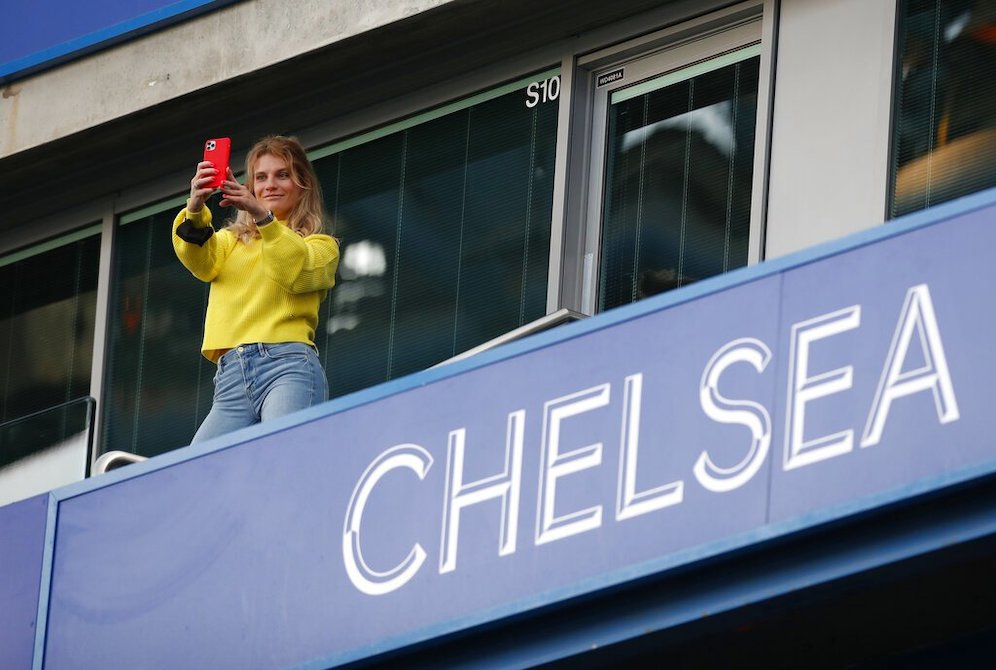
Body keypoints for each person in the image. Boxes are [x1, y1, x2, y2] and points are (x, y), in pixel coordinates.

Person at [172, 135, 340, 443]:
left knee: (280, 457)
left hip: (288, 366)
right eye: (260, 177)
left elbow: (294, 270)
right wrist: (195, 207)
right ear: (250, 187)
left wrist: (264, 218)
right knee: (198, 471)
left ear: (303, 184)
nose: (270, 184)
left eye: (283, 174)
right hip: (230, 378)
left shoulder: (320, 246)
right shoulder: (230, 242)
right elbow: (196, 256)